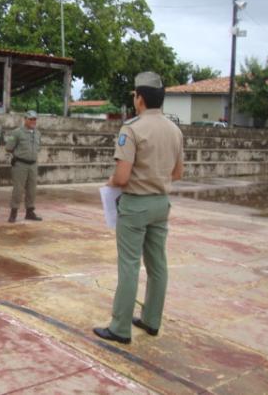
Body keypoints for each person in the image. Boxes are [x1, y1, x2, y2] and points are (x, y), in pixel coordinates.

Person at [93, 71, 184, 345]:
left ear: (140, 98)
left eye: (135, 95)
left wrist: (111, 182)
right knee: (158, 264)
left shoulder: (131, 129)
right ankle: (151, 320)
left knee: (129, 265)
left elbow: (121, 178)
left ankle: (120, 327)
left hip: (136, 205)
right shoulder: (174, 130)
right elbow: (177, 173)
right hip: (161, 203)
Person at [5, 110, 42, 223]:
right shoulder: (17, 132)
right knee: (18, 189)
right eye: (30, 119)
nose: (32, 121)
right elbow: (9, 147)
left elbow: (38, 148)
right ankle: (13, 213)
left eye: (34, 119)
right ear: (25, 119)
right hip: (20, 164)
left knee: (32, 189)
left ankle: (29, 212)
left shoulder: (37, 133)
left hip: (33, 165)